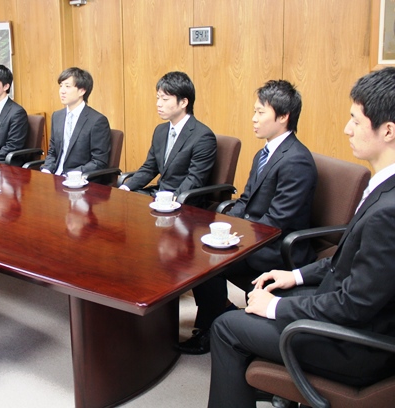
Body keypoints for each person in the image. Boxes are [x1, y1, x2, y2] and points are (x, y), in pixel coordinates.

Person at [207, 67, 395, 408]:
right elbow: (346, 260)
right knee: (260, 296)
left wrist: (277, 307)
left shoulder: (389, 210)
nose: (346, 129)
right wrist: (294, 275)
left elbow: (354, 306)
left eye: (355, 120)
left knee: (226, 327)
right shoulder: (383, 187)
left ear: (387, 130)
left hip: (357, 346)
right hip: (347, 309)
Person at [178, 80, 317, 355]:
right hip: (258, 235)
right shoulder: (264, 153)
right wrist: (222, 224)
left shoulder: (296, 160)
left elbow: (278, 221)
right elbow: (245, 201)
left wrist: (235, 237)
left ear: (283, 116)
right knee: (201, 244)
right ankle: (218, 315)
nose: (253, 119)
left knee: (208, 259)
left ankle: (212, 325)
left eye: (260, 112)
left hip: (280, 248)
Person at [118, 71, 216, 204]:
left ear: (183, 102)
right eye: (158, 98)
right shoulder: (160, 130)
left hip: (184, 201)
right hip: (160, 194)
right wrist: (126, 187)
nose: (158, 103)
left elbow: (195, 180)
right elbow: (149, 168)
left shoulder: (203, 136)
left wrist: (171, 200)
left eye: (164, 99)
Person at [40, 67, 111, 175]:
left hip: (79, 179)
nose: (62, 91)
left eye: (67, 86)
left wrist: (72, 175)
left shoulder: (97, 121)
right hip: (55, 177)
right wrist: (47, 170)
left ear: (82, 91)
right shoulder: (57, 116)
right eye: (61, 86)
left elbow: (99, 161)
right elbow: (52, 151)